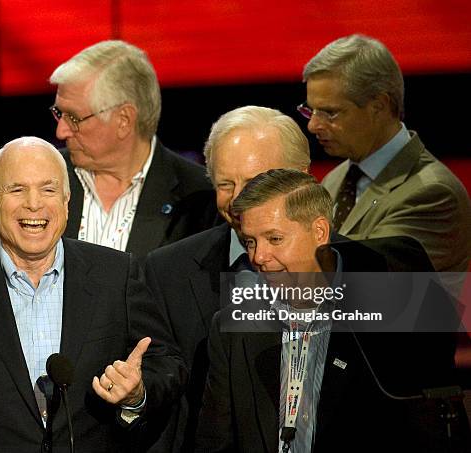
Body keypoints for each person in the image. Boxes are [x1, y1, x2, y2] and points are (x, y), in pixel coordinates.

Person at [0, 137, 186, 452]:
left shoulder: (117, 274)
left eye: (48, 190)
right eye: (17, 190)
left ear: (67, 202)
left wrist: (137, 392)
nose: (34, 203)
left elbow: (166, 363)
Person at [196, 169, 459, 453]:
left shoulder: (391, 314)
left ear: (319, 231)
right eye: (250, 241)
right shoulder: (234, 325)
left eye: (274, 239)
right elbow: (214, 443)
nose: (258, 257)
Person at [144, 106, 310, 451]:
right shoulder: (166, 272)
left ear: (302, 178)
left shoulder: (360, 267)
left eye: (253, 182)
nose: (237, 200)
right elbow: (164, 399)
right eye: (225, 184)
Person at [298, 34, 471, 273]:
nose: (313, 125)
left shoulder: (433, 194)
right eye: (311, 110)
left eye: (330, 113)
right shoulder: (336, 179)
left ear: (378, 106)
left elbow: (364, 282)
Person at [48, 40, 217, 257]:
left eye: (73, 117)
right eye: (59, 113)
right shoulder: (39, 179)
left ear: (124, 120)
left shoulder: (200, 198)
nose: (60, 132)